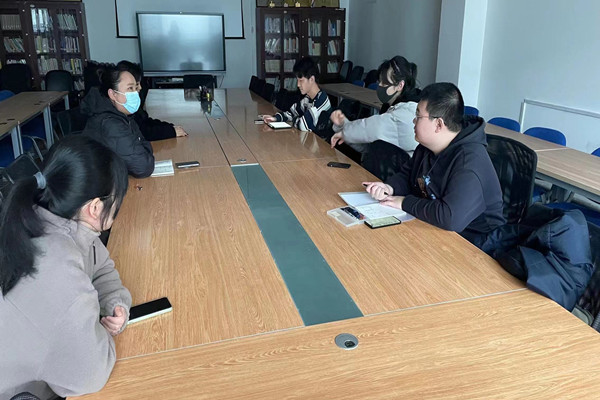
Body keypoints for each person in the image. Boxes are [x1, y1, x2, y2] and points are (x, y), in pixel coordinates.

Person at [0, 136, 132, 400]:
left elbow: (102, 267)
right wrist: (99, 330)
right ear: (95, 207)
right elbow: (90, 375)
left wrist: (114, 303)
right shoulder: (57, 269)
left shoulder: (50, 218)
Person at [363, 82, 505, 246]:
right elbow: (408, 175)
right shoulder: (427, 146)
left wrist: (403, 202)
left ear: (438, 124)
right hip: (434, 226)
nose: (414, 121)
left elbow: (450, 217)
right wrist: (389, 188)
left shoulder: (469, 162)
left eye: (418, 116)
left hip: (475, 242)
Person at [330, 56, 420, 155]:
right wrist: (344, 126)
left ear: (400, 85)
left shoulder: (405, 113)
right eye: (379, 81)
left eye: (385, 83)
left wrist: (346, 132)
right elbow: (370, 145)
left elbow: (371, 127)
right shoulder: (391, 108)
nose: (380, 86)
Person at [82, 65, 155, 178]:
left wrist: (144, 152)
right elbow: (143, 167)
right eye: (130, 88)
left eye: (135, 88)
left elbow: (144, 145)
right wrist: (144, 152)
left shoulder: (123, 115)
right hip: (100, 185)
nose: (136, 93)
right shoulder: (110, 123)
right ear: (113, 94)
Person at [116, 60, 188, 141]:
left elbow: (145, 122)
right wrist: (170, 131)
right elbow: (142, 132)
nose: (140, 88)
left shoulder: (130, 106)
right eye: (136, 85)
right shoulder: (117, 115)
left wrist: (170, 127)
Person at [263, 57, 331, 131]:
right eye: (297, 80)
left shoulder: (320, 101)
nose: (298, 84)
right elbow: (291, 112)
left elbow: (303, 126)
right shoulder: (308, 99)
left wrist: (295, 120)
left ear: (311, 79)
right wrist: (276, 118)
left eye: (301, 80)